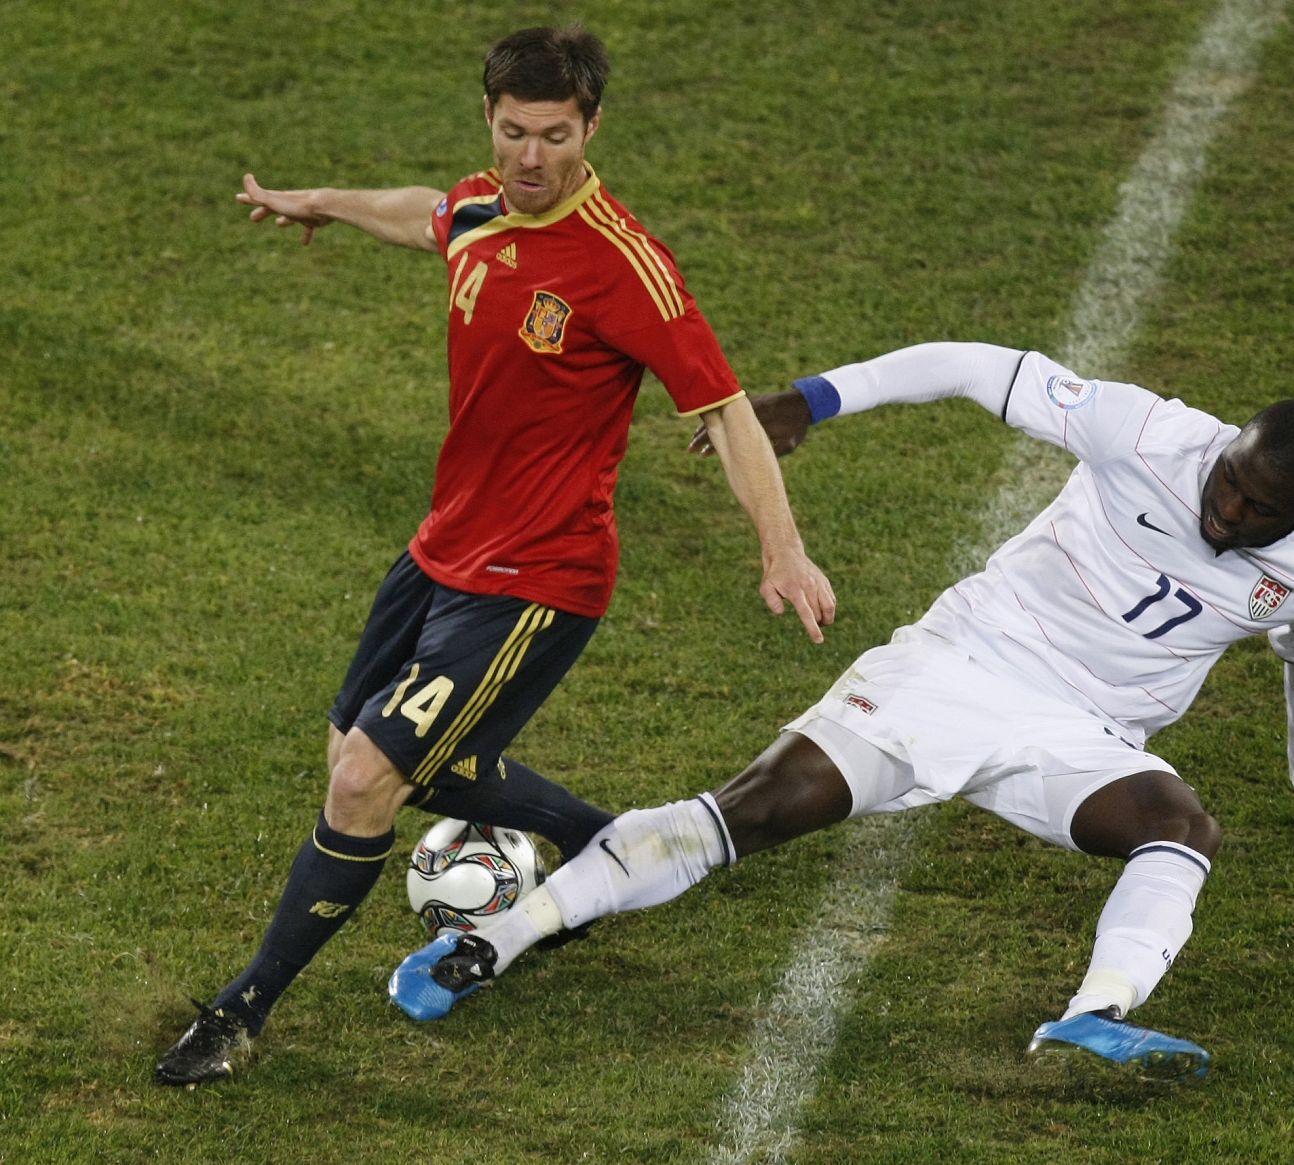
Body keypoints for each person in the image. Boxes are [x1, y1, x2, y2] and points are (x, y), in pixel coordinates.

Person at [388, 340, 1294, 1080]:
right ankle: (488, 943)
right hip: (961, 661)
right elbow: (975, 366)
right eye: (1230, 483)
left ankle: (1096, 1015)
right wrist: (812, 400)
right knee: (753, 809)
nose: (1227, 511)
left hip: (1081, 734)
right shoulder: (1148, 432)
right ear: (1226, 448)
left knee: (1180, 826)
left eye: (1258, 511)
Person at [154, 25, 835, 1087]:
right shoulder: (481, 207)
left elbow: (726, 409)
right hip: (441, 549)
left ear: (592, 126)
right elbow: (426, 213)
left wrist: (781, 550)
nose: (530, 157)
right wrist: (320, 201)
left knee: (368, 780)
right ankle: (609, 843)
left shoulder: (623, 265)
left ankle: (241, 1014)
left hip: (540, 578)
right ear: (490, 118)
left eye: (554, 136)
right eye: (514, 131)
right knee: (356, 752)